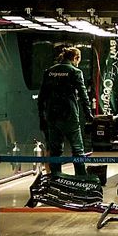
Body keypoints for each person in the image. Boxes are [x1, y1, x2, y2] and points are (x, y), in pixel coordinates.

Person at [37, 46, 92, 177]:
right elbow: (84, 96)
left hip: (52, 116)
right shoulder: (75, 72)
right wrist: (88, 114)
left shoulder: (49, 71)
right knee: (77, 149)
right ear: (75, 58)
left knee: (55, 151)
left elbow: (41, 97)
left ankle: (56, 178)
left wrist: (42, 117)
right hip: (70, 115)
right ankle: (81, 178)